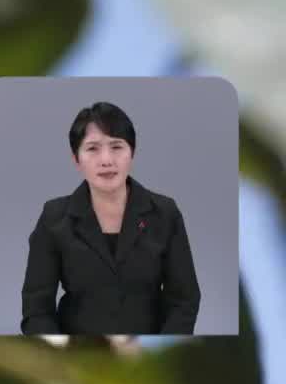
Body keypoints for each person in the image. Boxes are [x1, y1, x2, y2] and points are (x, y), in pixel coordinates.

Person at [19, 101, 201, 336]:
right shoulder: (54, 217)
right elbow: (36, 309)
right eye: (92, 148)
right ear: (76, 159)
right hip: (75, 356)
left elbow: (185, 299)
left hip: (147, 356)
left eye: (116, 147)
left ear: (132, 153)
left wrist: (161, 347)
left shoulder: (164, 213)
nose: (106, 160)